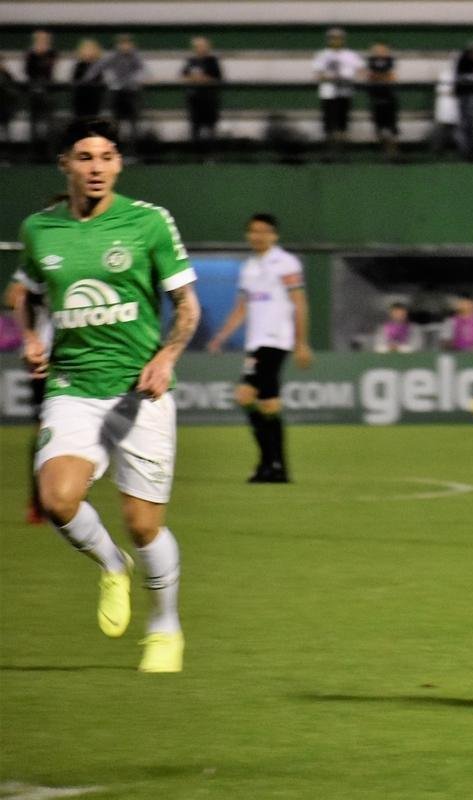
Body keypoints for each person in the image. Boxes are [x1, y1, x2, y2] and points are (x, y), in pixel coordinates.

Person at [15, 117, 201, 673]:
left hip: (137, 392)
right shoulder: (39, 229)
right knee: (57, 500)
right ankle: (111, 564)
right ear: (66, 166)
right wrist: (28, 335)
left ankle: (165, 624)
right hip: (72, 387)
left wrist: (167, 356)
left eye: (107, 157)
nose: (97, 167)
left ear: (118, 164)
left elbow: (188, 307)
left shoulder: (147, 223)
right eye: (85, 157)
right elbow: (22, 293)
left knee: (144, 523)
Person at [206, 213, 312, 483]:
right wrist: (222, 335)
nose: (258, 236)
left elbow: (299, 302)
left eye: (264, 231)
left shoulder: (285, 263)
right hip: (257, 342)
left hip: (275, 340)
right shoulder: (249, 267)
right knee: (268, 404)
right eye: (253, 231)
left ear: (274, 235)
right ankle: (275, 467)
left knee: (244, 395)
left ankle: (270, 463)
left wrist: (301, 343)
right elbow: (242, 307)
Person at [4, 276, 53, 523]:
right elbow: (13, 295)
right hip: (45, 357)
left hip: (83, 354)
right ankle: (38, 500)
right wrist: (30, 335)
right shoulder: (44, 256)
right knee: (44, 429)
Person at [312, 27, 365, 146]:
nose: (336, 41)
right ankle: (329, 146)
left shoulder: (350, 55)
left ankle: (342, 147)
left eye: (338, 38)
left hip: (345, 89)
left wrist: (349, 77)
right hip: (328, 90)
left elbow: (361, 71)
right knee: (328, 119)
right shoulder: (322, 55)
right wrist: (329, 78)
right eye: (333, 38)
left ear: (343, 39)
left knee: (343, 120)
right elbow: (317, 74)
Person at [181, 36, 222, 151]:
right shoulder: (191, 61)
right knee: (195, 129)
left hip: (209, 100)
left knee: (211, 129)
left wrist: (203, 79)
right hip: (194, 100)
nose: (200, 49)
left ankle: (211, 156)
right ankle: (196, 156)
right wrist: (193, 79)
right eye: (198, 46)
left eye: (203, 46)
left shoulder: (212, 61)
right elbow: (184, 77)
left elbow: (217, 78)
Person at [104, 34, 145, 146]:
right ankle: (115, 149)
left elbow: (142, 72)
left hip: (131, 93)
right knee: (115, 122)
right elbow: (103, 70)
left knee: (134, 123)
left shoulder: (136, 57)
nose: (125, 47)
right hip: (117, 93)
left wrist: (131, 82)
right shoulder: (112, 57)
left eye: (127, 44)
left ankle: (133, 150)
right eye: (122, 44)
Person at [24, 30, 57, 152]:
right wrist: (35, 54)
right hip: (33, 91)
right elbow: (28, 71)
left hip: (48, 91)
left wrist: (43, 55)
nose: (42, 42)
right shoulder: (30, 54)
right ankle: (34, 151)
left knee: (49, 122)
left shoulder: (52, 53)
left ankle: (49, 150)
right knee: (34, 122)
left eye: (44, 39)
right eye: (39, 39)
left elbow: (49, 70)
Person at [365, 42, 399, 157]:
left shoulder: (390, 61)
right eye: (377, 50)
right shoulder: (370, 62)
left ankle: (393, 151)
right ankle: (384, 149)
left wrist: (379, 77)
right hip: (375, 98)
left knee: (391, 127)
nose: (379, 52)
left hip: (389, 98)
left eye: (382, 50)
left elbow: (391, 77)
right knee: (379, 127)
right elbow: (370, 76)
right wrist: (380, 77)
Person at [71, 39, 106, 118]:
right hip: (80, 100)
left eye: (91, 49)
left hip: (94, 100)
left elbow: (100, 82)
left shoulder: (98, 65)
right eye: (86, 49)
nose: (88, 52)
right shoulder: (79, 65)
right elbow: (75, 81)